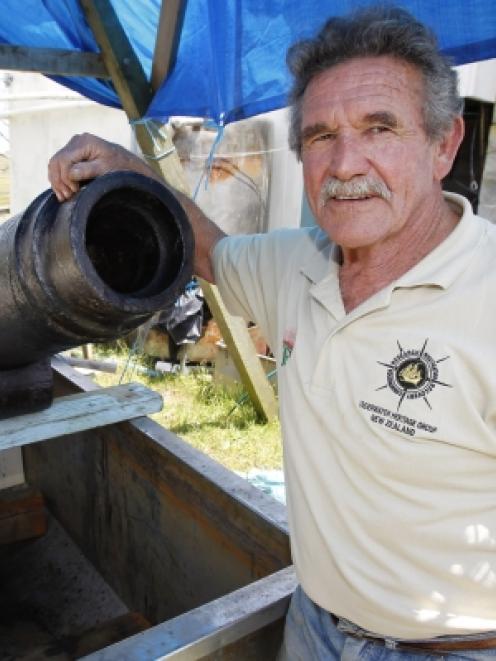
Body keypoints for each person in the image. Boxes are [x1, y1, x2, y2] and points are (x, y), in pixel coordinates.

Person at [48, 6, 496, 659]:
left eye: (380, 126)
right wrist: (127, 165)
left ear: (444, 143)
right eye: (320, 136)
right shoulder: (296, 264)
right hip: (314, 625)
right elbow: (209, 250)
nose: (346, 163)